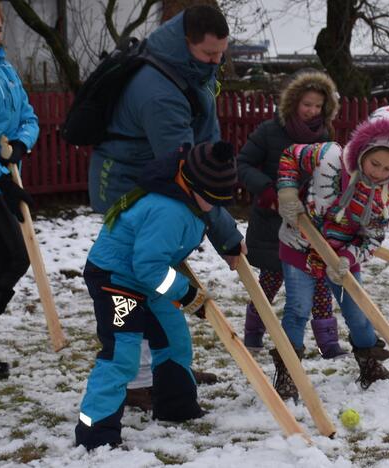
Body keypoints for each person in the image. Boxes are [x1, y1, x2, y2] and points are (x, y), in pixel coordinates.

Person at [85, 5, 238, 408]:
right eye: (209, 55)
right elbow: (191, 173)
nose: (216, 62)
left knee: (155, 285)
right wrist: (226, 237)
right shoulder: (158, 91)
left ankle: (169, 369)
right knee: (139, 284)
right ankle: (136, 380)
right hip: (131, 189)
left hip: (163, 186)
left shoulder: (191, 67)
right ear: (186, 42)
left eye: (221, 53)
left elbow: (206, 148)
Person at [75, 141, 237, 450]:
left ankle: (176, 407)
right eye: (210, 199)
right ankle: (95, 433)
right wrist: (186, 294)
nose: (212, 206)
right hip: (116, 279)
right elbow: (147, 267)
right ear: (191, 185)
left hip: (146, 278)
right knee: (122, 354)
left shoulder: (188, 202)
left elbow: (157, 264)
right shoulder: (169, 210)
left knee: (174, 338)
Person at [272, 106, 389, 400]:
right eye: (374, 163)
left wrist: (347, 260)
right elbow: (290, 155)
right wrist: (287, 191)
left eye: (387, 169)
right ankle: (288, 373)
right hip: (301, 245)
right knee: (298, 309)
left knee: (359, 312)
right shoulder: (328, 156)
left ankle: (370, 365)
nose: (378, 172)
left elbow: (373, 237)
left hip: (341, 258)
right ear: (363, 150)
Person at [236, 70, 348, 358]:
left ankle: (329, 343)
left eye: (317, 106)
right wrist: (269, 192)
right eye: (306, 104)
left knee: (320, 281)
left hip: (311, 226)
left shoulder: (325, 136)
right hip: (272, 221)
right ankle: (253, 334)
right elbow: (244, 164)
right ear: (293, 103)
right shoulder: (269, 132)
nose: (312, 111)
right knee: (271, 280)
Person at [0, 0, 39, 380]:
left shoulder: (5, 70)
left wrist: (22, 144)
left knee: (0, 263)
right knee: (15, 258)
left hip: (5, 180)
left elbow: (29, 116)